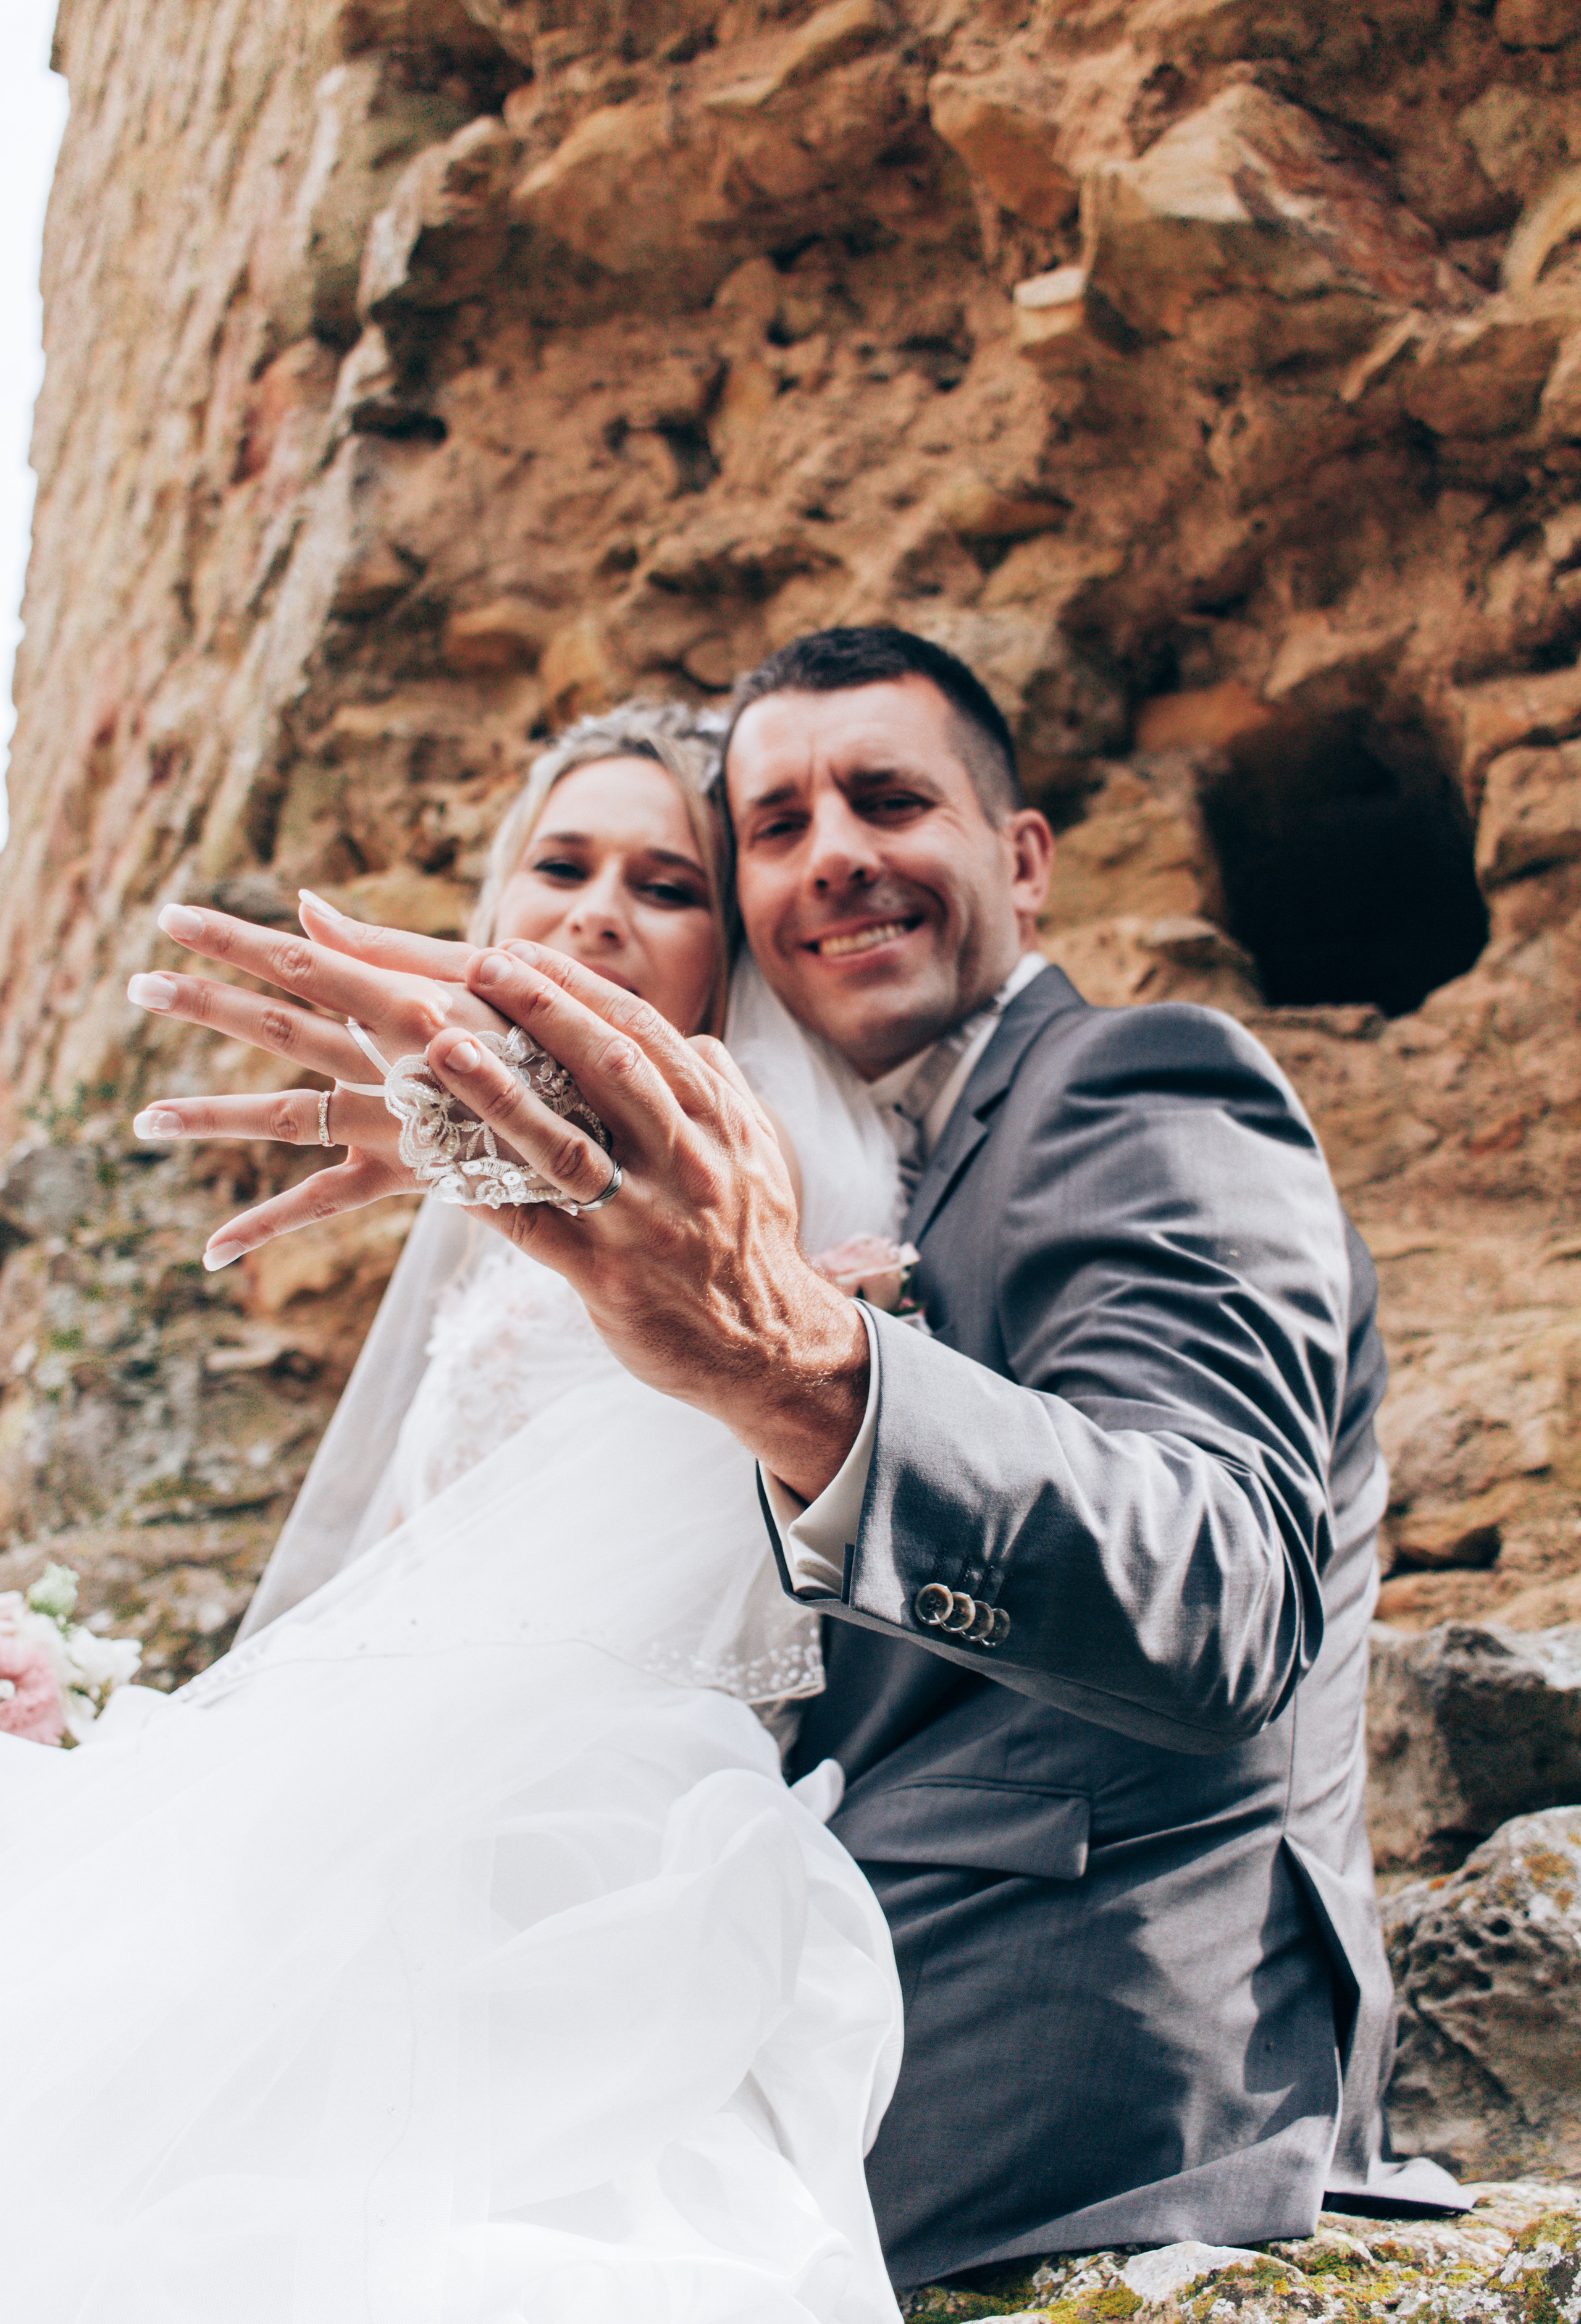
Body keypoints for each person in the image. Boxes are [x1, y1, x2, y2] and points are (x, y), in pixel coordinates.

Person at [182, 625, 1463, 2292]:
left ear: (1022, 859)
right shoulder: (863, 1175)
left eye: (886, 800)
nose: (835, 856)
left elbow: (1218, 1591)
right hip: (812, 1976)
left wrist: (787, 1358)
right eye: (776, 827)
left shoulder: (1141, 1088)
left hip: (1083, 2044)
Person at [0, 704, 910, 2324]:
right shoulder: (485, 1217)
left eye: (666, 882)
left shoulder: (743, 1153)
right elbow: (396, 1622)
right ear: (497, 904)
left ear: (730, 961)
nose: (598, 912)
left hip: (596, 1836)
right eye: (558, 867)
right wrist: (119, 1742)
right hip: (395, 1808)